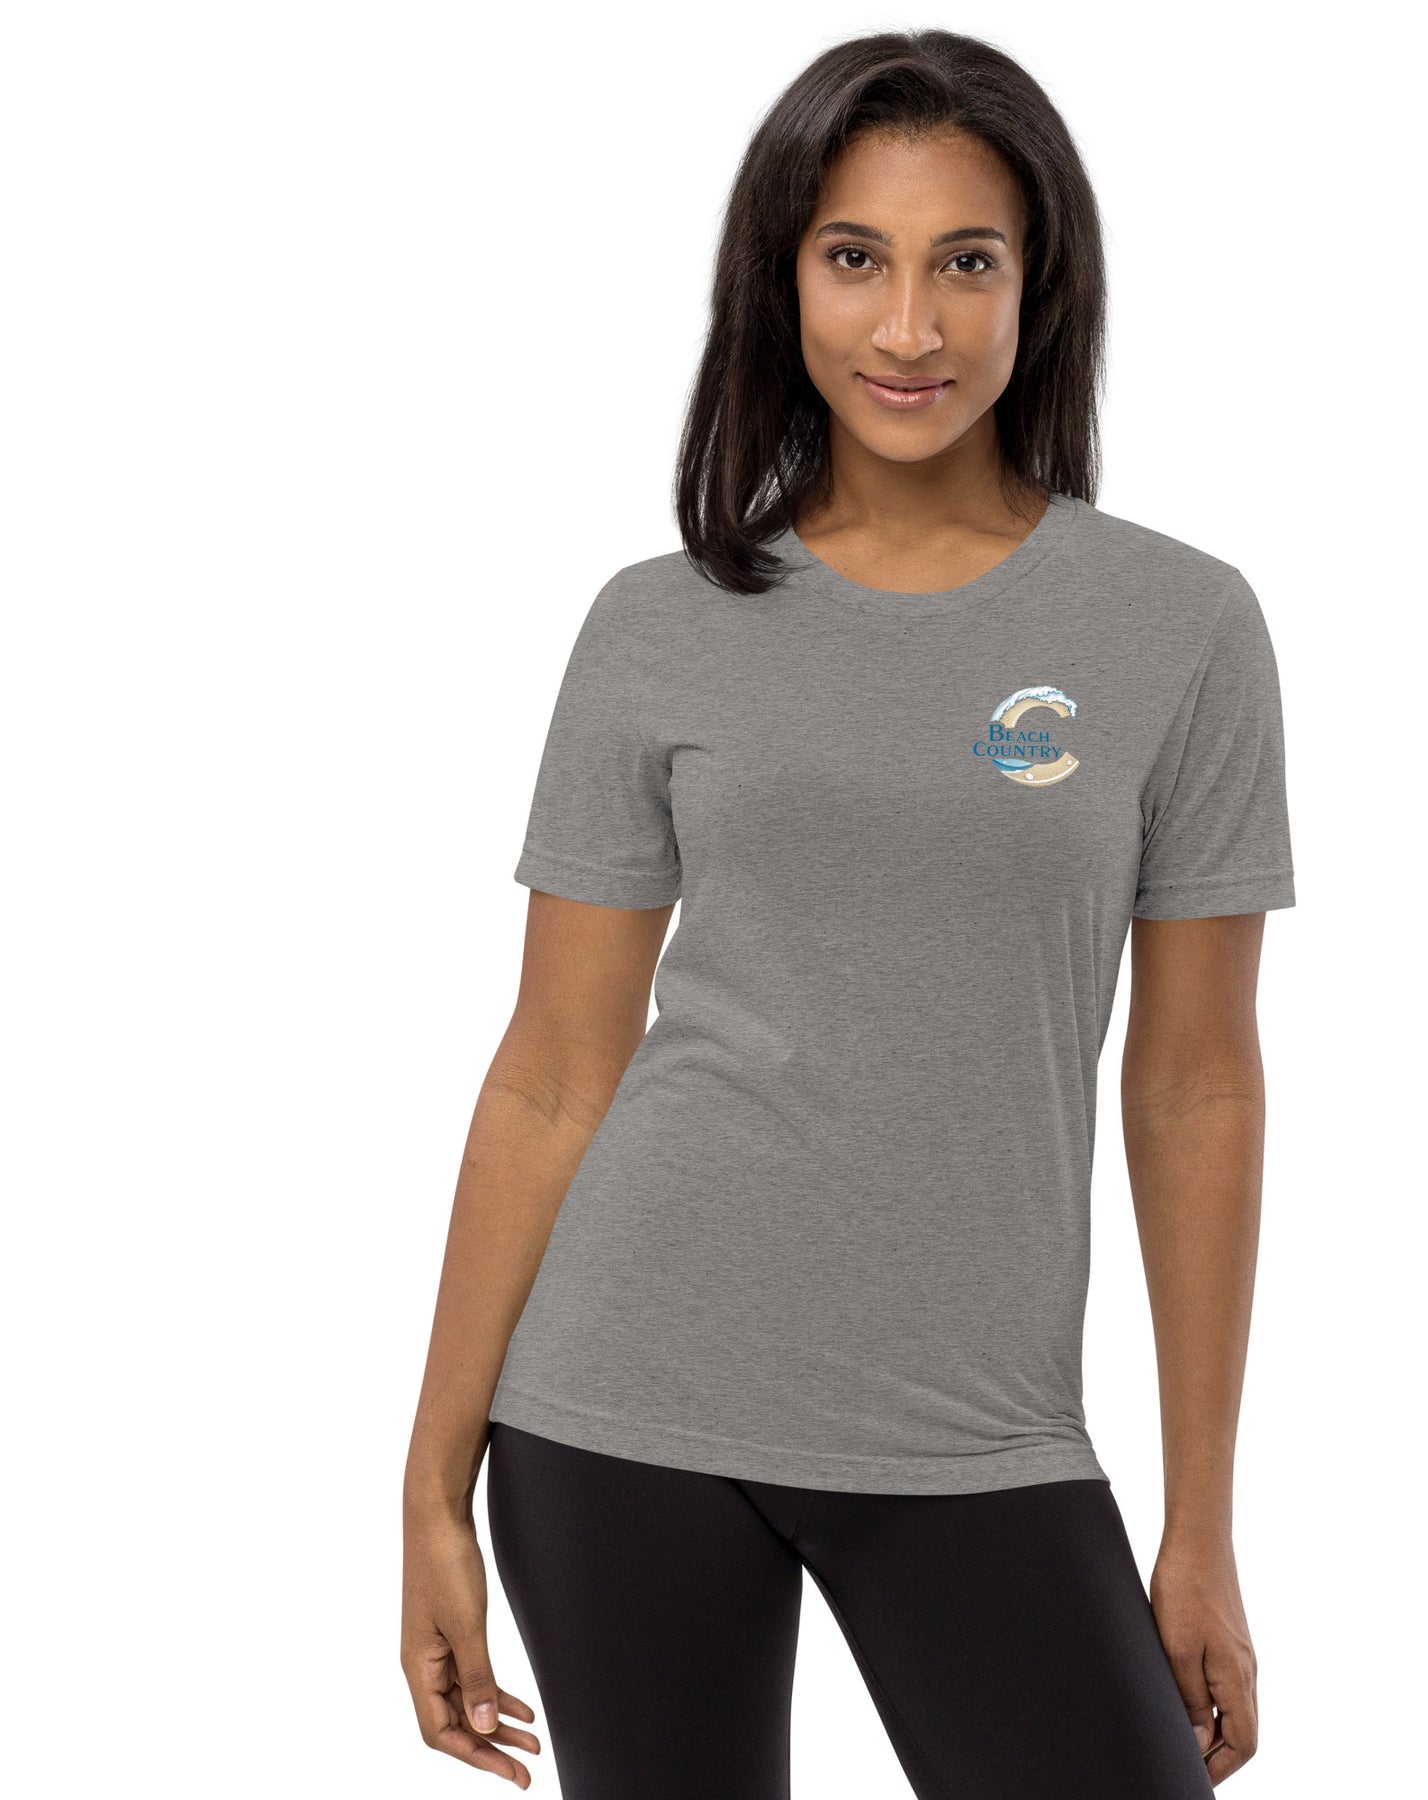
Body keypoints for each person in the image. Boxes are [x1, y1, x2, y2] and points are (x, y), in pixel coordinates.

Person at [401, 28, 1295, 1799]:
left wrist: (1199, 1521)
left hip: (983, 1431)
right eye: (855, 258)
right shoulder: (656, 623)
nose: (909, 326)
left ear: (1041, 286)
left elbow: (1196, 1083)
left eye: (967, 262)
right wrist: (430, 1482)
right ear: (782, 281)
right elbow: (554, 1069)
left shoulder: (1178, 628)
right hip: (620, 1403)